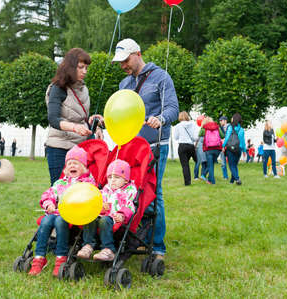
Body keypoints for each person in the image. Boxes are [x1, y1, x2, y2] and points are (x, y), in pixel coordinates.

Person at [113, 38, 179, 260]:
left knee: (153, 193)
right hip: (130, 146)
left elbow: (172, 108)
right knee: (129, 194)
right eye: (120, 62)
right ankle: (132, 238)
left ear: (138, 53)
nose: (123, 66)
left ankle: (157, 246)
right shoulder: (124, 85)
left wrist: (160, 119)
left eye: (125, 60)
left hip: (154, 145)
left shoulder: (161, 77)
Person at [28, 146, 96, 276]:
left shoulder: (87, 183)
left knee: (60, 221)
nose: (72, 165)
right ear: (65, 168)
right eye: (69, 163)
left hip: (74, 214)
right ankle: (39, 257)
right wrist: (49, 204)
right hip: (56, 212)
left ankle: (61, 256)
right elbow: (49, 194)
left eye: (76, 163)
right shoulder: (60, 183)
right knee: (46, 220)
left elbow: (90, 196)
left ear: (84, 167)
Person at [46, 48, 102, 186]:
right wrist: (74, 128)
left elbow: (82, 117)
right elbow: (53, 119)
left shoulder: (84, 89)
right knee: (60, 191)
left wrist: (95, 127)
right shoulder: (57, 88)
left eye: (86, 67)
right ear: (70, 67)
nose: (85, 71)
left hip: (81, 149)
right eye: (80, 67)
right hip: (59, 148)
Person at [77, 159, 137, 261]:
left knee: (104, 220)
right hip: (101, 216)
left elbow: (129, 206)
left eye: (117, 177)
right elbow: (98, 201)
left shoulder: (129, 191)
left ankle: (108, 249)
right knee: (89, 218)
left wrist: (122, 215)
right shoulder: (106, 189)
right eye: (110, 177)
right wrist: (100, 206)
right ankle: (88, 246)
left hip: (115, 219)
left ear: (126, 180)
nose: (112, 180)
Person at [173, 112, 197, 186]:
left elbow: (176, 137)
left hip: (182, 146)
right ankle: (203, 174)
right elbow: (195, 137)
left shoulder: (178, 126)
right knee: (198, 160)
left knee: (185, 165)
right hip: (190, 145)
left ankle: (187, 182)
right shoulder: (192, 124)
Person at [222, 113, 246, 185]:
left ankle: (237, 179)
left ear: (234, 119)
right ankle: (232, 181)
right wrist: (244, 150)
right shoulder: (241, 129)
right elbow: (243, 141)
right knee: (234, 165)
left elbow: (227, 137)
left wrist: (223, 146)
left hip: (230, 149)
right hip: (239, 149)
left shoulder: (230, 127)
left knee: (231, 165)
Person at [202, 117, 223, 185]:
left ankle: (212, 181)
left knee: (210, 165)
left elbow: (199, 135)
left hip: (208, 149)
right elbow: (222, 136)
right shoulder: (217, 127)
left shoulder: (204, 128)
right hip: (217, 149)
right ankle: (209, 179)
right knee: (212, 164)